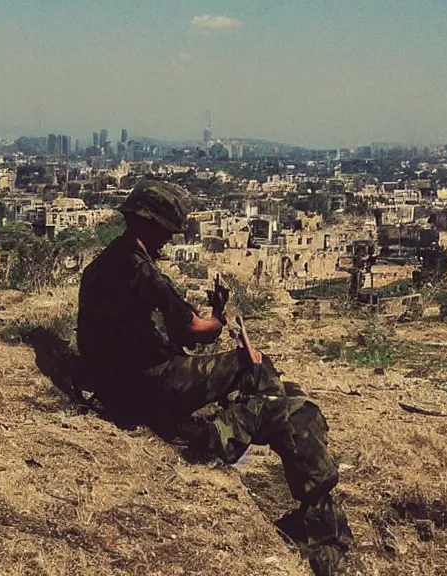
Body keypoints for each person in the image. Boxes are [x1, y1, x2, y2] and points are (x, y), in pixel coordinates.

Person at [76, 180, 353, 576]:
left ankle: (251, 427)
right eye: (166, 230)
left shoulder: (105, 263)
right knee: (256, 370)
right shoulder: (139, 269)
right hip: (152, 384)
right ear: (147, 224)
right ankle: (232, 439)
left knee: (272, 387)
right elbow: (194, 330)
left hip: (122, 384)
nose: (168, 240)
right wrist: (221, 319)